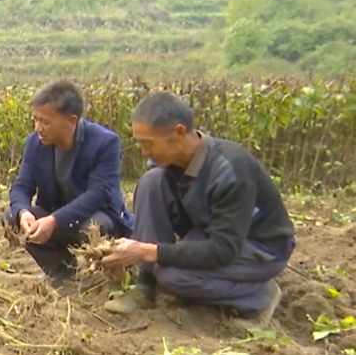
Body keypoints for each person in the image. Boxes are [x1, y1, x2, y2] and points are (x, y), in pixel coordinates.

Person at [101, 92, 295, 330]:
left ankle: (259, 295)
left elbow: (223, 250)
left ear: (179, 133)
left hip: (258, 247)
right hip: (211, 233)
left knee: (174, 277)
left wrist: (148, 251)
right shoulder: (168, 164)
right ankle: (146, 286)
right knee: (153, 181)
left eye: (148, 143)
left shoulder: (230, 170)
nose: (143, 151)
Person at [5, 81, 133, 282]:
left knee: (94, 226)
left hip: (96, 216)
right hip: (55, 213)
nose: (38, 128)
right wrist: (23, 212)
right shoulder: (35, 143)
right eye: (35, 120)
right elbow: (22, 185)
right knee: (11, 217)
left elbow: (98, 194)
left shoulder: (105, 142)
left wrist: (55, 220)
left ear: (71, 121)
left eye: (45, 122)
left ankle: (102, 273)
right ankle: (62, 271)